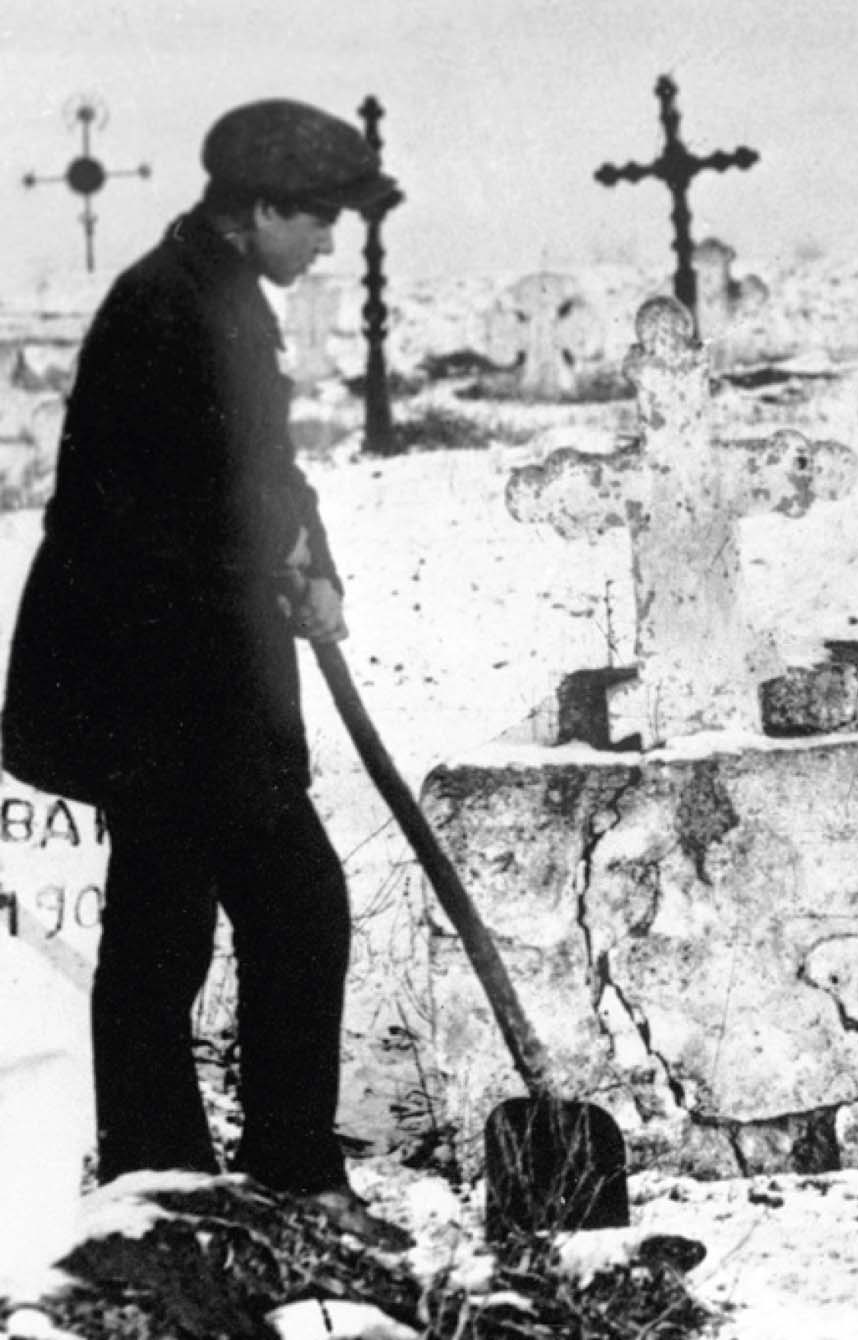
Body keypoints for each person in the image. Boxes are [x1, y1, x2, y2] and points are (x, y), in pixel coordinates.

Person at [1, 99, 407, 1246]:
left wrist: (310, 560)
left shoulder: (219, 297)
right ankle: (256, 1178)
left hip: (193, 672)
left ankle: (171, 1179)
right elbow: (135, 515)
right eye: (318, 216)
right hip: (159, 677)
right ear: (262, 207)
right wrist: (262, 564)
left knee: (170, 924)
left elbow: (266, 467)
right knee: (280, 909)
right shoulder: (164, 311)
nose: (328, 239)